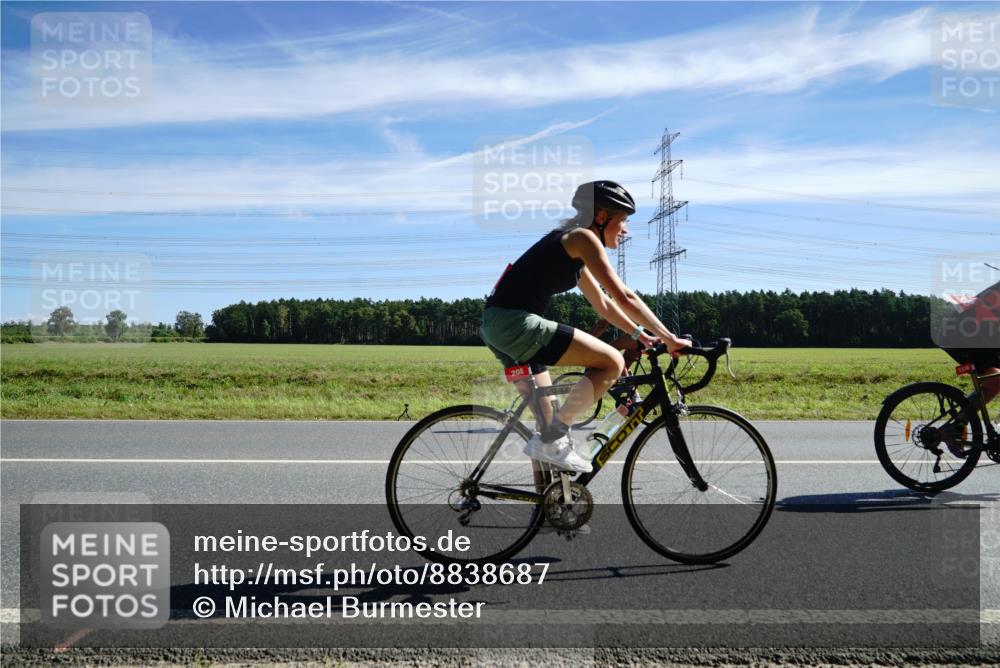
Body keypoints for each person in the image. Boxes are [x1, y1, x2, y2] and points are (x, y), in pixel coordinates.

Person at [479, 180, 691, 473]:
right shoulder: (583, 239)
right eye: (623, 221)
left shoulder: (570, 247)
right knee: (611, 362)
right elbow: (624, 296)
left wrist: (641, 335)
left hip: (495, 324)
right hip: (516, 323)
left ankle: (547, 509)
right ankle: (554, 441)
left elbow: (604, 305)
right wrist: (669, 338)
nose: (626, 230)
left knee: (547, 424)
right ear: (601, 217)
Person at [938, 277, 1000, 447]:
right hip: (966, 333)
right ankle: (955, 428)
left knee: (993, 382)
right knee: (995, 382)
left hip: (966, 331)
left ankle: (958, 425)